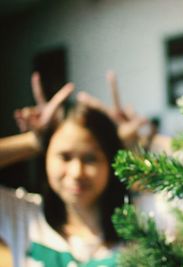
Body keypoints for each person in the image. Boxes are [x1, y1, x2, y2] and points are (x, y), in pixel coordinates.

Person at [0, 73, 129, 266]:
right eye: (65, 157)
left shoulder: (143, 222)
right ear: (46, 156)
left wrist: (139, 144)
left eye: (91, 158)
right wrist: (33, 141)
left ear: (110, 161)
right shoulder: (23, 217)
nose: (77, 172)